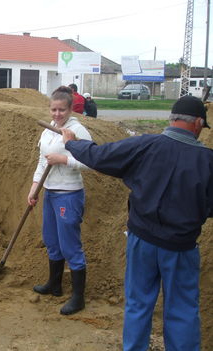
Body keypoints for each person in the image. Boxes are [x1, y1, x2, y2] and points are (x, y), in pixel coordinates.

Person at [61, 95, 212, 351]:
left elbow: (100, 156)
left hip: (141, 241)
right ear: (198, 123)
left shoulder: (145, 145)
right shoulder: (207, 161)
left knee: (138, 303)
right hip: (181, 248)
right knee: (182, 308)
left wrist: (72, 145)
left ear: (172, 119)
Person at [28, 86, 92, 315]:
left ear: (70, 108)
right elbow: (41, 161)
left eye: (61, 110)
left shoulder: (78, 131)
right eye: (54, 109)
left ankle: (78, 297)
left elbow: (90, 161)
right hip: (50, 193)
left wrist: (64, 160)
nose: (57, 114)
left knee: (70, 246)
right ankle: (54, 284)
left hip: (69, 194)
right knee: (52, 241)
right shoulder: (48, 131)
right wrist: (34, 188)